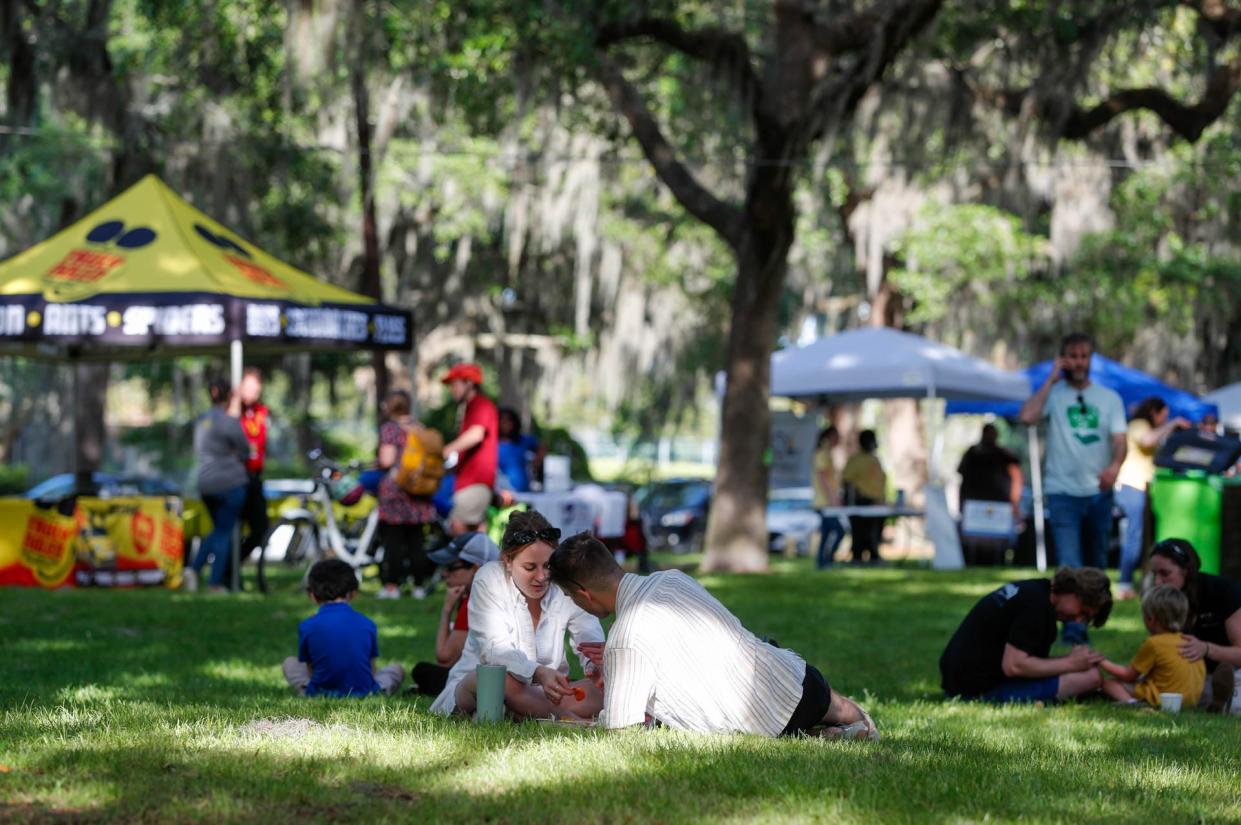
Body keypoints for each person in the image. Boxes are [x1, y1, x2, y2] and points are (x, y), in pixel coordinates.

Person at [547, 532, 879, 739]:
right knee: (828, 706)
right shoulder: (673, 579)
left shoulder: (624, 640)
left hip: (756, 726)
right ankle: (848, 723)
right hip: (800, 683)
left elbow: (622, 729)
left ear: (584, 594)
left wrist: (573, 717)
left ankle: (826, 733)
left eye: (569, 596)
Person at [430, 510, 605, 721]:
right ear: (507, 561)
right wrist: (539, 672)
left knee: (604, 686)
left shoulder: (563, 582)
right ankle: (569, 720)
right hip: (482, 687)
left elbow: (589, 635)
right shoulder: (489, 578)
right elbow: (495, 650)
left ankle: (527, 713)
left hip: (544, 695)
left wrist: (596, 666)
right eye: (530, 567)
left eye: (548, 566)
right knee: (496, 678)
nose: (542, 577)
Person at [1019, 333, 1126, 643]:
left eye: (1084, 356)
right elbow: (1027, 416)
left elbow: (1120, 441)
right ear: (1063, 359)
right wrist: (1050, 380)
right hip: (1062, 491)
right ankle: (1073, 628)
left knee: (1096, 561)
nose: (1078, 362)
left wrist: (1114, 467)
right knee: (1069, 562)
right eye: (1072, 356)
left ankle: (1092, 616)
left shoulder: (1109, 398)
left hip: (1098, 492)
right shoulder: (1053, 394)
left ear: (1091, 359)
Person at [938, 567, 1113, 703]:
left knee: (1089, 674)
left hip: (962, 684)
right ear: (1073, 591)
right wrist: (1070, 663)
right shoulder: (1036, 608)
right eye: (1082, 612)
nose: (1078, 620)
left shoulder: (1036, 592)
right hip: (975, 691)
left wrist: (1071, 661)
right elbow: (1014, 666)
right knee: (1091, 678)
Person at [281, 559, 405, 697]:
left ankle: (308, 691)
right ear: (353, 593)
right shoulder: (367, 623)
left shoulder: (307, 626)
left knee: (289, 663)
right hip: (365, 691)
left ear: (312, 595)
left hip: (321, 691)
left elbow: (311, 668)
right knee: (397, 669)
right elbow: (372, 669)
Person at [1148, 538, 1241, 713]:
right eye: (1154, 574)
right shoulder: (1159, 599)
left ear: (1187, 571)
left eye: (1165, 573)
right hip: (1188, 677)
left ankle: (1220, 700)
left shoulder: (1223, 591)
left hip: (1231, 672)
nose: (1157, 582)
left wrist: (1206, 649)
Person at [1113, 398, 1190, 600]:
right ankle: (1125, 583)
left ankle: (1144, 580)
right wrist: (1172, 424)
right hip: (1131, 486)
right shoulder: (1139, 425)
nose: (1164, 420)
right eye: (1163, 416)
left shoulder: (1149, 427)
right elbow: (1146, 441)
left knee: (1144, 538)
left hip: (1146, 489)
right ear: (1153, 412)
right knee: (1134, 536)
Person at [408, 532, 501, 697]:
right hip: (493, 678)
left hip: (483, 682)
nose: (445, 573)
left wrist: (447, 610)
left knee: (421, 671)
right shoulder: (493, 593)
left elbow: (444, 657)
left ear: (475, 568)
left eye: (452, 567)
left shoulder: (474, 601)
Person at [186, 377, 251, 593]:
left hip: (205, 483)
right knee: (224, 532)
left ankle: (194, 570)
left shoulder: (202, 421)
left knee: (216, 530)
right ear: (229, 396)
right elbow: (245, 451)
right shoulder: (228, 421)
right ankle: (214, 582)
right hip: (229, 483)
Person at [375, 389, 438, 600]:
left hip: (396, 491)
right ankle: (419, 585)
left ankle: (392, 586)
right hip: (419, 491)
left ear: (389, 407)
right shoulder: (419, 428)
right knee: (416, 541)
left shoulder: (390, 429)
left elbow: (386, 460)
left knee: (393, 541)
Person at [1097, 584, 1205, 707]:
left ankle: (1132, 703)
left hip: (1162, 699)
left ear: (1150, 619)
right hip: (1189, 701)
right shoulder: (1190, 642)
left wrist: (1101, 661)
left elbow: (1128, 675)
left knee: (1109, 683)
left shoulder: (1154, 643)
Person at [441, 363, 499, 534]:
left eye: (455, 384)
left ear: (469, 383)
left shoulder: (481, 405)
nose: (452, 389)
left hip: (475, 482)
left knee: (458, 533)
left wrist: (445, 451)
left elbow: (476, 434)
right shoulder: (468, 408)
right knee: (476, 541)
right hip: (469, 482)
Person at [957, 423, 1023, 565]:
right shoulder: (972, 453)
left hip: (999, 505)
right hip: (975, 505)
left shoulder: (1005, 455)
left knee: (996, 542)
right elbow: (961, 476)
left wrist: (1015, 503)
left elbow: (1016, 475)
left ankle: (998, 562)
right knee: (975, 541)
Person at [233, 367, 271, 564]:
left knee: (261, 528)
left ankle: (234, 564)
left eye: (256, 390)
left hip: (254, 476)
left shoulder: (260, 412)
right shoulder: (231, 411)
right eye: (248, 389)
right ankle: (226, 573)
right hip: (236, 475)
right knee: (232, 526)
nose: (251, 394)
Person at [840, 429, 886, 565]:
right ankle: (857, 557)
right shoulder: (856, 460)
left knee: (874, 532)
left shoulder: (875, 459)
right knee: (860, 532)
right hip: (861, 502)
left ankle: (874, 555)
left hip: (877, 502)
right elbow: (846, 480)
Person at [812, 426, 847, 569]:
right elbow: (823, 477)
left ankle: (822, 562)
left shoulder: (826, 454)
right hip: (824, 502)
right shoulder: (823, 454)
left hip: (825, 501)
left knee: (826, 533)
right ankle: (828, 560)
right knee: (839, 531)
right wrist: (833, 497)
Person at [497, 407, 543, 493]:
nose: (505, 423)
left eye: (508, 420)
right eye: (501, 420)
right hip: (500, 491)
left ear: (514, 423)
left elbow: (541, 446)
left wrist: (537, 460)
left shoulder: (522, 440)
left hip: (522, 490)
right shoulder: (492, 442)